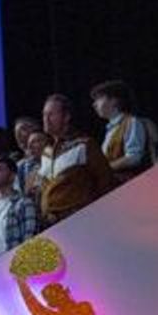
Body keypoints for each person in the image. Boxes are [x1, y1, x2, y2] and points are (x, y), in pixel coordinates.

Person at [39, 93, 113, 224]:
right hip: (49, 226)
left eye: (51, 114)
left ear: (66, 117)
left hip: (79, 224)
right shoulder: (46, 152)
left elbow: (106, 183)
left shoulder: (84, 145)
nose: (46, 119)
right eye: (44, 114)